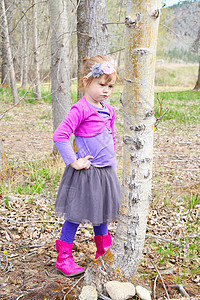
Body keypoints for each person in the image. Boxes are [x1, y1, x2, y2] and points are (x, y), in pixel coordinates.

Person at [53, 55, 121, 277]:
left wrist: (111, 160)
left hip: (104, 172)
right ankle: (64, 258)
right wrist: (74, 160)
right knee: (75, 214)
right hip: (86, 172)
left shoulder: (108, 110)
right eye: (101, 84)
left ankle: (104, 253)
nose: (106, 90)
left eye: (110, 86)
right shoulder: (80, 109)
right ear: (86, 81)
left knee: (101, 213)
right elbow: (60, 135)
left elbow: (109, 137)